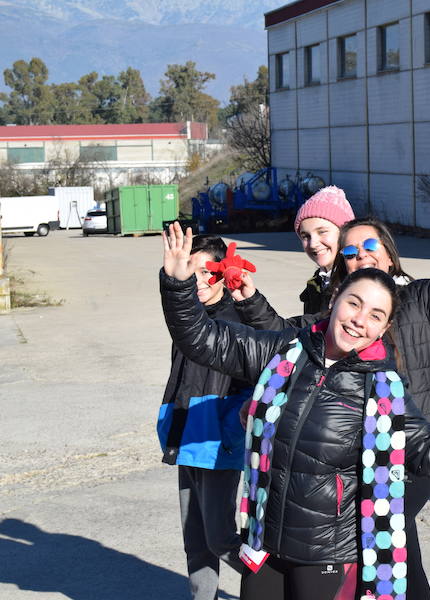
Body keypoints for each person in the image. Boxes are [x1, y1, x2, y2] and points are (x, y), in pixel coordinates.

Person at [160, 222, 430, 599]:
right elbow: (203, 341)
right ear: (334, 302)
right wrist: (176, 285)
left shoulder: (382, 391)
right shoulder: (285, 351)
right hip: (263, 544)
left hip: (328, 556)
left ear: (382, 328)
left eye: (375, 315)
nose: (359, 320)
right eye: (354, 303)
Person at [156, 234, 250, 600]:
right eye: (188, 273)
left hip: (217, 445)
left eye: (203, 272)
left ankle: (281, 584)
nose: (195, 281)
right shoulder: (187, 318)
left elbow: (252, 387)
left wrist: (227, 432)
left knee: (221, 538)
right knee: (195, 540)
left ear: (223, 272)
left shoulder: (236, 321)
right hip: (187, 439)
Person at [293, 185, 355, 314]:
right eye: (305, 236)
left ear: (345, 233)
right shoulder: (317, 284)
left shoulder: (358, 285)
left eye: (322, 232)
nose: (313, 244)